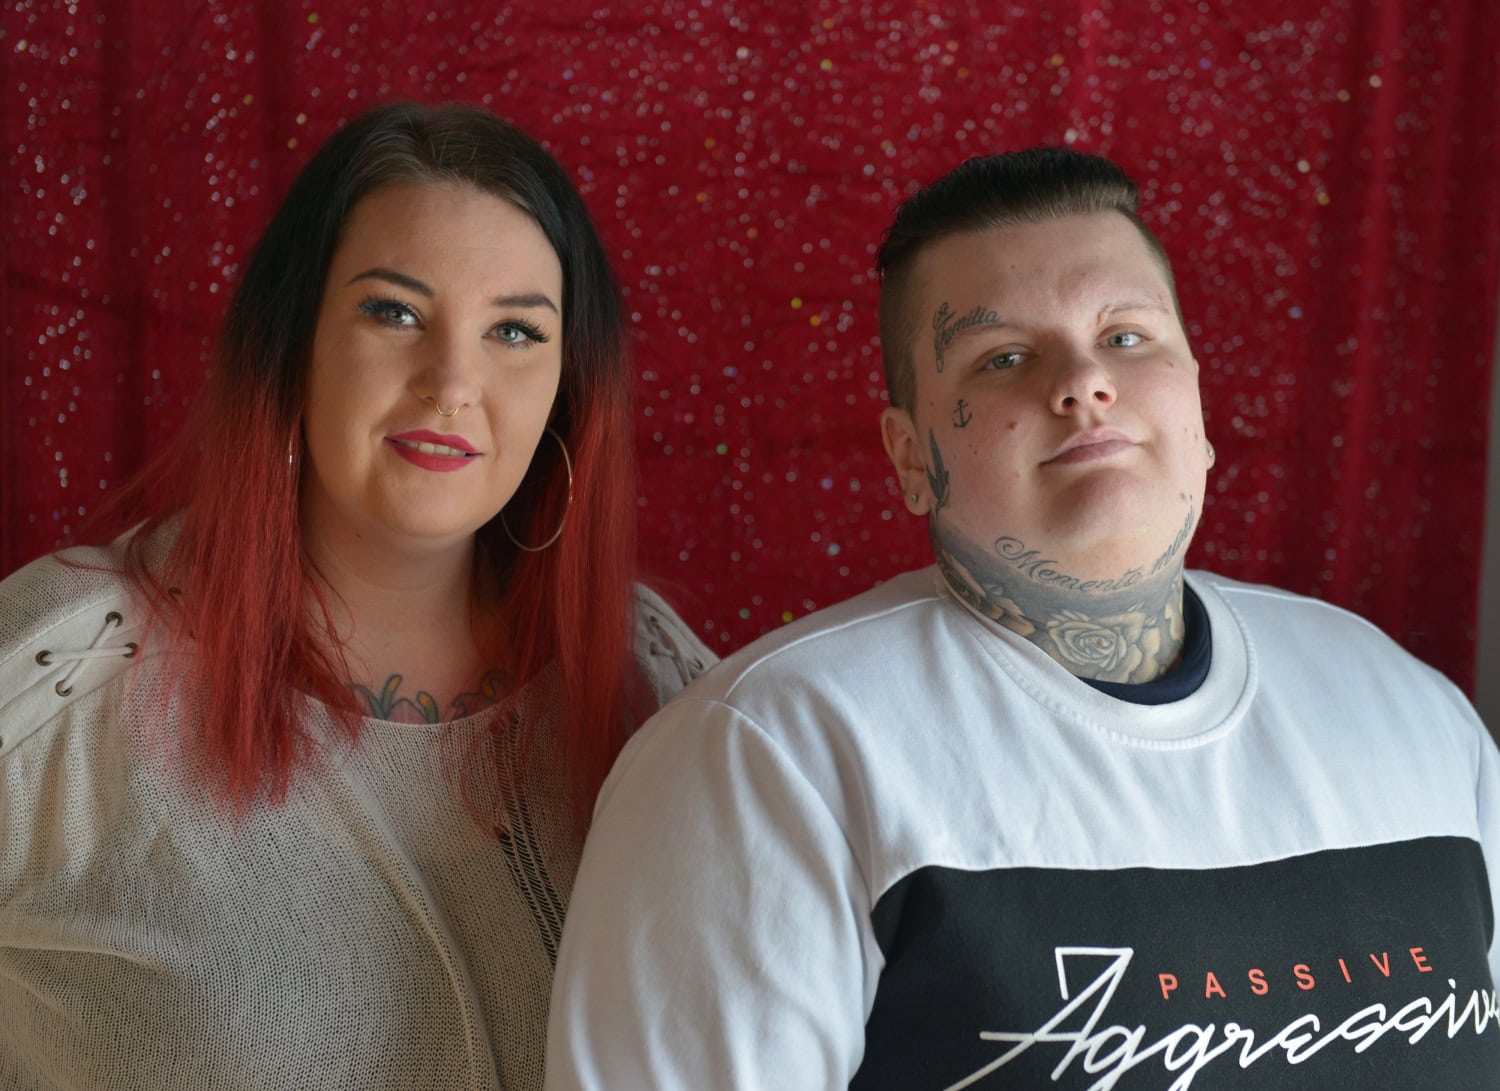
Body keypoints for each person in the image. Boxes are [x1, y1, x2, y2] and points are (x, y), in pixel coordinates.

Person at [545, 148, 1500, 1088]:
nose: (1084, 382)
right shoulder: (770, 755)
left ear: (1199, 401)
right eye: (1004, 357)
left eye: (1127, 337)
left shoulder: (1408, 711)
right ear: (910, 456)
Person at [0, 101, 711, 1091]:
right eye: (395, 312)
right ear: (292, 341)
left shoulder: (659, 683)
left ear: (569, 386)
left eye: (514, 330)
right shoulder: (57, 679)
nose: (452, 380)